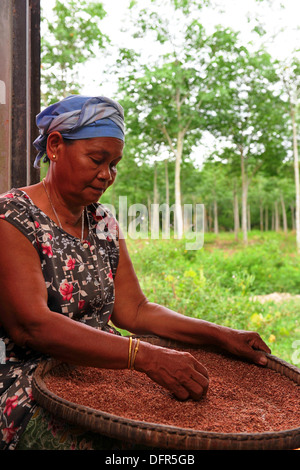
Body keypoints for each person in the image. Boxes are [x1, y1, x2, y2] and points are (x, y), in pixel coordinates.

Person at [0, 95, 271, 450]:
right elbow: (31, 325)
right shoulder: (13, 217)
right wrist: (142, 355)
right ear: (55, 146)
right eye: (97, 159)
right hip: (29, 385)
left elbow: (135, 310)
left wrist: (219, 334)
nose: (106, 176)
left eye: (114, 165)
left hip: (100, 373)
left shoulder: (102, 222)